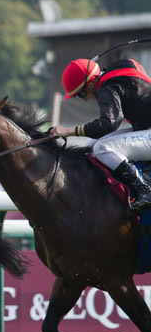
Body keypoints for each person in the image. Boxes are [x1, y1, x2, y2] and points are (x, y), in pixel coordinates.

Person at [50, 57, 151, 214]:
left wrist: (68, 131)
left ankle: (144, 190)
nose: (84, 100)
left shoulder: (106, 87)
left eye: (81, 94)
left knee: (101, 147)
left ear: (90, 84)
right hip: (145, 130)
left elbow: (109, 123)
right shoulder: (124, 65)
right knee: (91, 145)